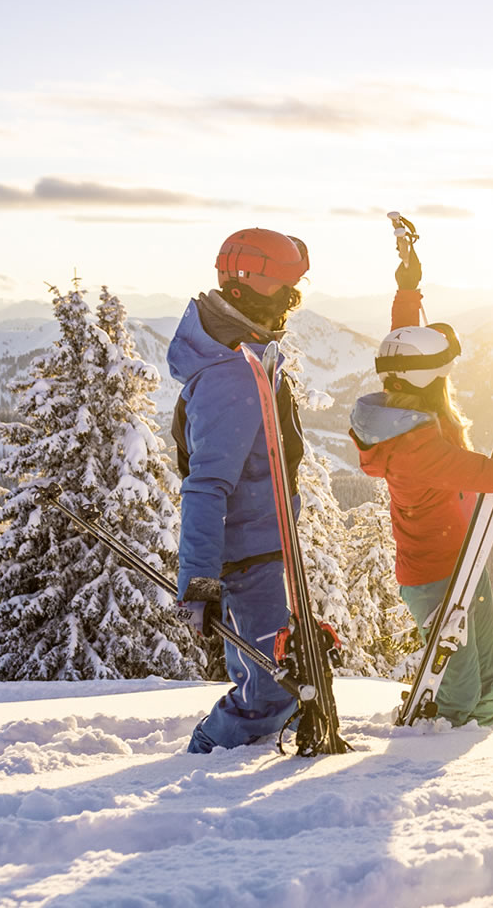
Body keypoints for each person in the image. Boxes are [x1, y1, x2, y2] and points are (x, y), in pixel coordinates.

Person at [349, 240, 493, 726]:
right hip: (438, 577)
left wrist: (408, 290)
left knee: (487, 676)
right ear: (433, 381)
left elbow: (403, 349)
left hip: (463, 561)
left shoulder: (405, 409)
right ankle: (441, 756)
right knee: (460, 685)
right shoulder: (418, 448)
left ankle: (482, 742)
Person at [170, 227, 312, 753]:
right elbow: (206, 486)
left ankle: (289, 751)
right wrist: (200, 578)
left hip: (265, 548)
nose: (291, 306)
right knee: (267, 692)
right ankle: (206, 757)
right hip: (249, 557)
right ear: (246, 289)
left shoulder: (248, 354)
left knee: (285, 673)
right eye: (284, 293)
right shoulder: (231, 374)